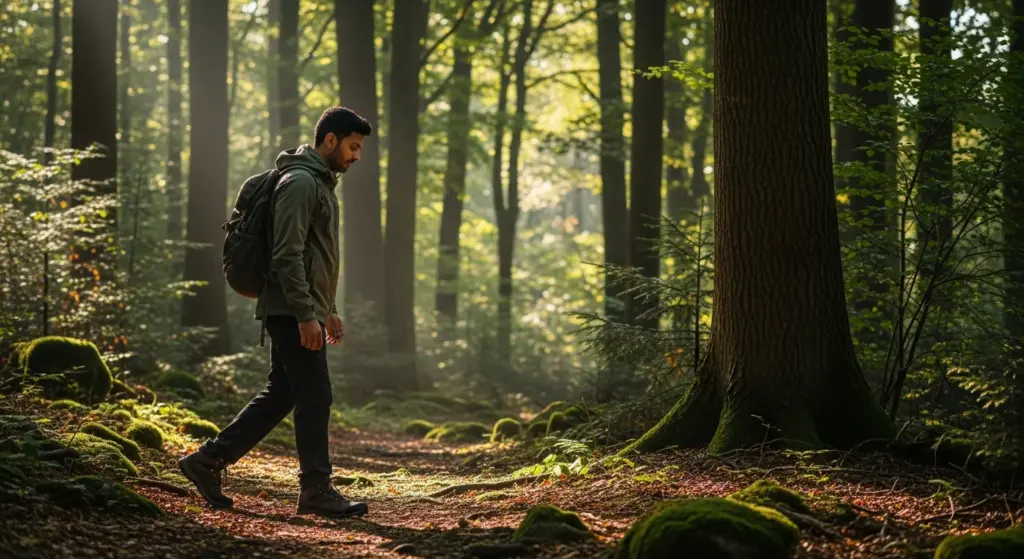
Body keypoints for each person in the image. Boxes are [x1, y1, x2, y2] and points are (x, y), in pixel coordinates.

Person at [178, 107, 371, 518]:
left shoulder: (318, 182)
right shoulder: (301, 182)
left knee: (282, 392)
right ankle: (316, 488)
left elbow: (317, 257)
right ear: (330, 140)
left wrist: (328, 309)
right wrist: (306, 314)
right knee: (315, 393)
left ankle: (207, 461)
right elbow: (287, 255)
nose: (356, 156)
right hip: (289, 307)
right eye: (353, 147)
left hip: (298, 305)